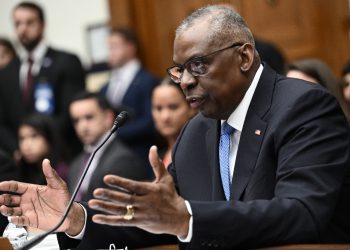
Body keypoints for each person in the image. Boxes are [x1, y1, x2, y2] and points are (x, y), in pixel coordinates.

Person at [0, 5, 349, 250]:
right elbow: (161, 220)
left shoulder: (303, 106)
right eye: (178, 70)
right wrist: (76, 219)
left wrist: (187, 218)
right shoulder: (195, 132)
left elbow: (302, 213)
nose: (184, 82)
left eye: (197, 65)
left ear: (243, 57)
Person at [0, 2, 85, 158]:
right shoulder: (6, 72)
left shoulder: (66, 62)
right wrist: (18, 147)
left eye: (29, 22)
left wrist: (41, 142)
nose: (23, 29)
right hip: (21, 161)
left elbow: (70, 112)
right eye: (18, 23)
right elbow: (2, 120)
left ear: (42, 25)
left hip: (61, 155)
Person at [67, 91, 151, 202]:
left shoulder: (124, 160)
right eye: (76, 120)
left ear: (108, 117)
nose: (82, 126)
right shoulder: (76, 164)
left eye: (89, 117)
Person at [100, 28, 159, 173]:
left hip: (141, 156)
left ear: (130, 47)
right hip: (112, 158)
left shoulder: (148, 81)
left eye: (114, 46)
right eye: (109, 47)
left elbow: (150, 121)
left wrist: (112, 133)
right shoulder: (105, 87)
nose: (110, 52)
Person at [152, 77, 197, 167]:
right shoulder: (156, 155)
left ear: (192, 107)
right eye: (158, 108)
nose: (165, 117)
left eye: (173, 107)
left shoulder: (201, 152)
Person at [16, 114, 68, 184]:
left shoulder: (63, 172)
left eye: (34, 136)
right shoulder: (23, 170)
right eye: (22, 138)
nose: (26, 145)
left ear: (49, 137)